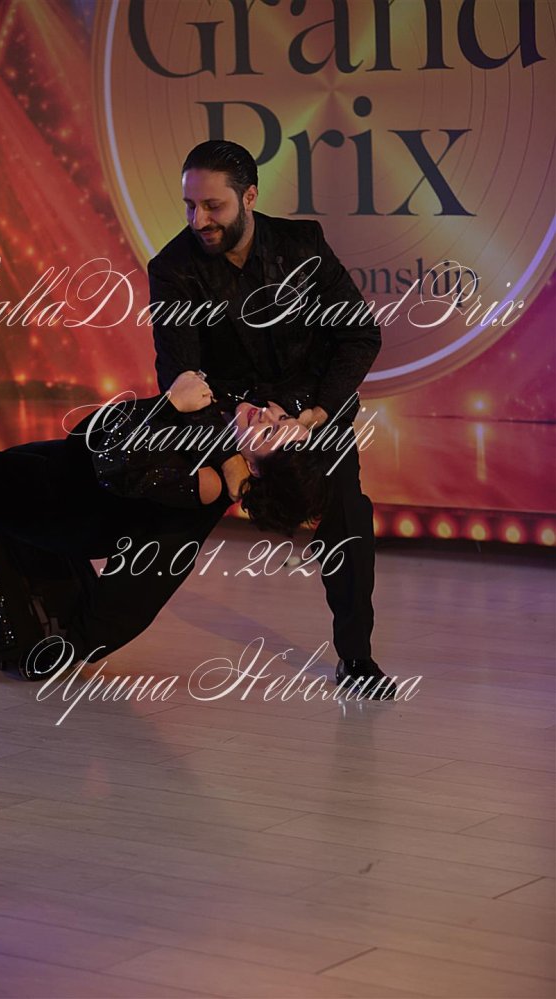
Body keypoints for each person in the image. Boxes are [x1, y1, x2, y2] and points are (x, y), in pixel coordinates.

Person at [147, 139, 395, 697]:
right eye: (189, 205)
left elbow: (359, 334)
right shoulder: (173, 268)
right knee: (163, 526)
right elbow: (180, 377)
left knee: (347, 514)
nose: (198, 220)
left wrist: (313, 413)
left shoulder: (303, 244)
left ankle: (356, 658)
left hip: (312, 412)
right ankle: (80, 633)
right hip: (230, 426)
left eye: (213, 206)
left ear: (250, 197)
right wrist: (240, 431)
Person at [0, 371, 316, 679]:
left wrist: (169, 404)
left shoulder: (207, 484)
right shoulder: (225, 440)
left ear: (254, 470)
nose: (267, 416)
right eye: (282, 418)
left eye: (270, 433)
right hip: (63, 478)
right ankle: (1, 626)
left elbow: (110, 459)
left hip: (67, 505)